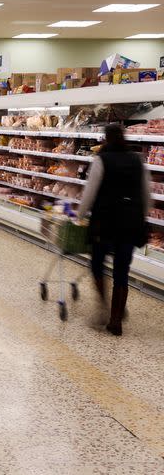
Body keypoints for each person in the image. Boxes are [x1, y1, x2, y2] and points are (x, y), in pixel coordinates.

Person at [77, 124, 149, 336]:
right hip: (130, 222)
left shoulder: (102, 159)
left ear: (106, 139)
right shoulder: (138, 160)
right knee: (121, 272)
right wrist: (141, 217)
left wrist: (79, 215)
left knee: (98, 265)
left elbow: (90, 192)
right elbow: (146, 194)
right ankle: (116, 320)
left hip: (105, 222)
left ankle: (104, 306)